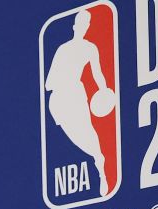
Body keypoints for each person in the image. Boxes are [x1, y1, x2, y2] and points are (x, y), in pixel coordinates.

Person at [44, 9, 110, 195]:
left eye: (86, 24)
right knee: (72, 135)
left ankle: (101, 166)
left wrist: (104, 90)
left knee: (88, 130)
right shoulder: (62, 49)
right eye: (80, 23)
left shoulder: (90, 48)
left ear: (88, 27)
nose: (83, 27)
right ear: (74, 26)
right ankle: (97, 158)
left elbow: (97, 73)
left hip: (76, 94)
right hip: (58, 99)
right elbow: (48, 83)